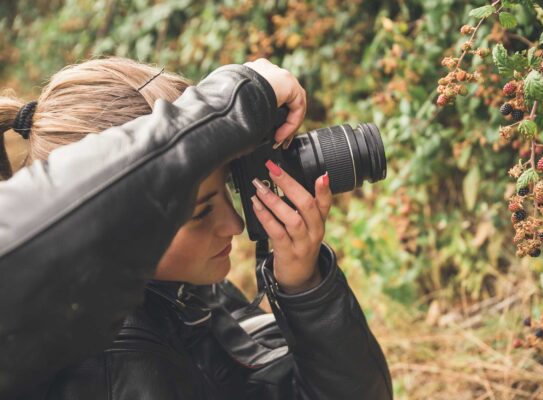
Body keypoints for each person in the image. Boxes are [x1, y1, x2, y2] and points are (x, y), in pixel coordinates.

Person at [0, 57, 392, 399]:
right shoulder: (117, 374)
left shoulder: (182, 293)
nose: (235, 225)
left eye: (226, 188)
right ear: (109, 222)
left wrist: (304, 285)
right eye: (199, 212)